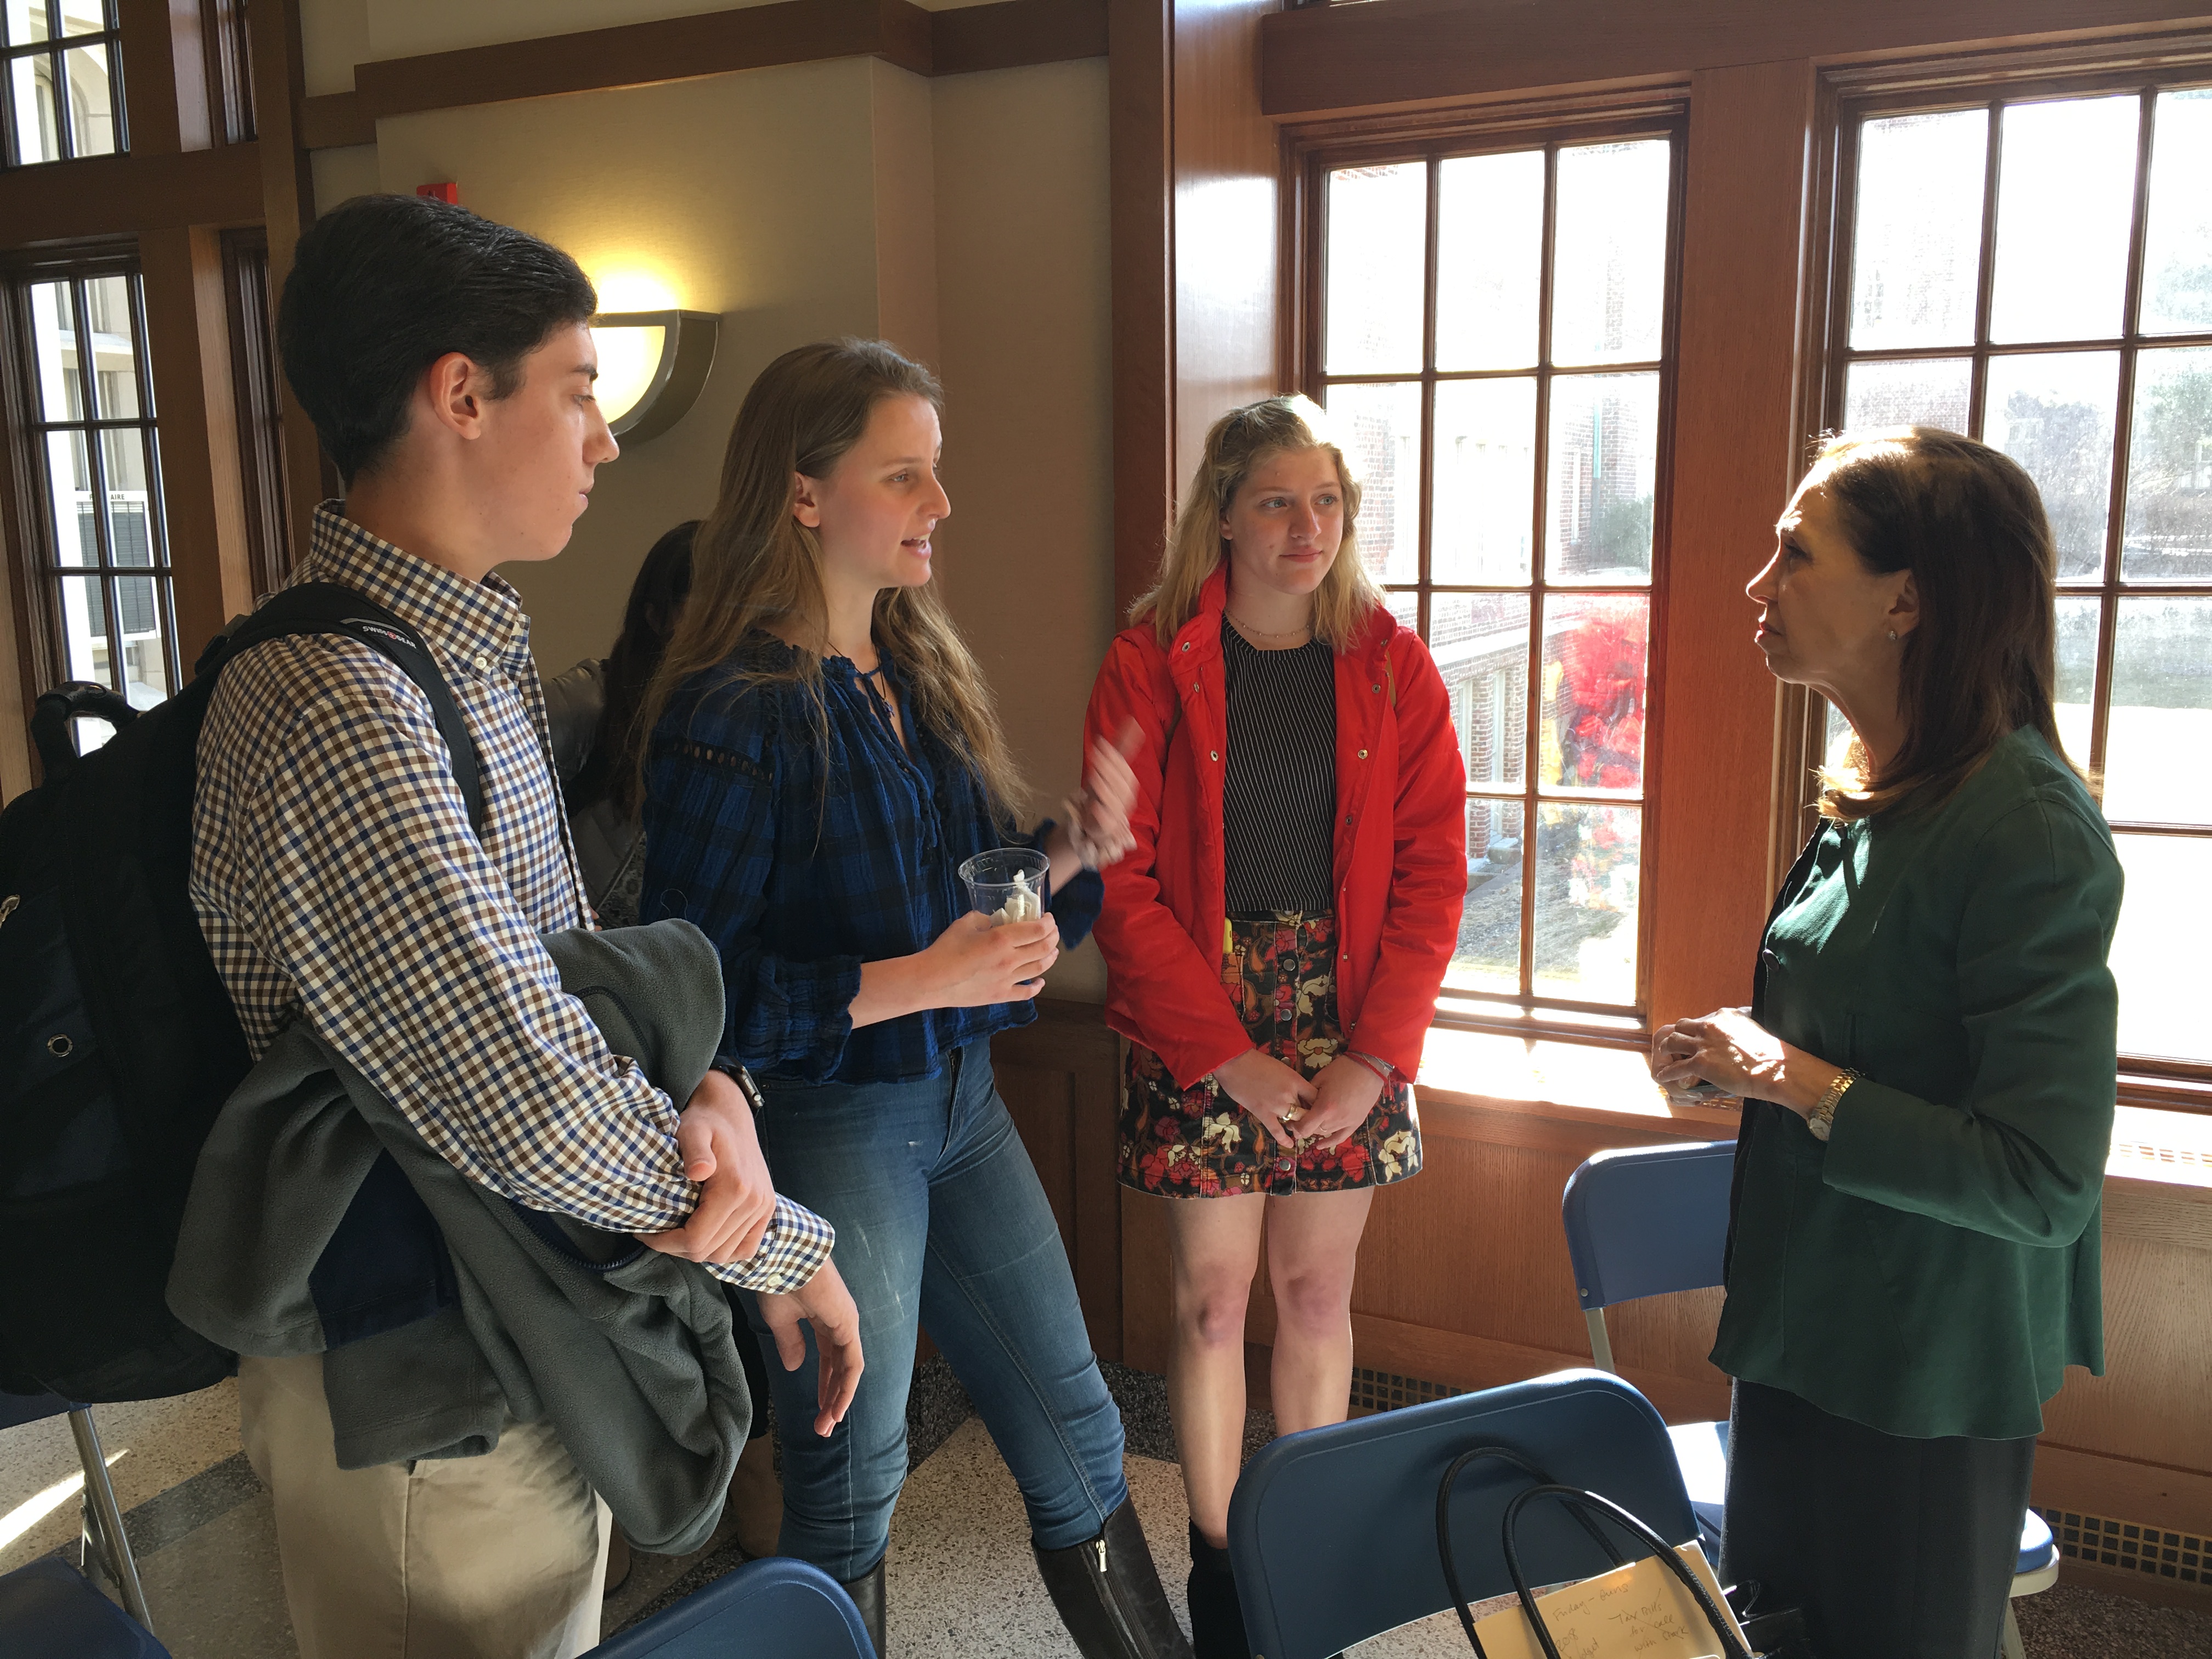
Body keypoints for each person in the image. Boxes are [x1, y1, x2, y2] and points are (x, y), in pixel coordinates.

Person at [190, 194, 861, 1659]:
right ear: (459, 396)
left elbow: (578, 989)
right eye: (579, 395)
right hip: (421, 1341)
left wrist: (709, 1088)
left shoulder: (461, 655)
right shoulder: (339, 706)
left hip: (510, 1293)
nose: (606, 441)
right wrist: (786, 1246)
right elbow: (528, 1096)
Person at [635, 338, 1188, 1658]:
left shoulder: (915, 673)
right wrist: (926, 977)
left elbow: (974, 904)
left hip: (964, 1108)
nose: (941, 505)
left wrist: (1066, 854)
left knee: (1078, 1433)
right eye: (907, 476)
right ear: (805, 494)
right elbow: (690, 1003)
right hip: (829, 1131)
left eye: (934, 475)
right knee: (849, 1484)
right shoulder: (730, 714)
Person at [1651, 427, 2123, 1659]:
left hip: (1925, 1372)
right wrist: (1738, 1067)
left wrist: (1792, 1079)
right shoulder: (1885, 793)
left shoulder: (2026, 825)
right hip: (1809, 1331)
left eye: (1794, 555)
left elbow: (2044, 1178)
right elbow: (1862, 1038)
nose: (1759, 587)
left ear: (1907, 600)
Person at [1082, 395, 1466, 1656]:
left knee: (1312, 1291)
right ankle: (1220, 1570)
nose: (1307, 529)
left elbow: (1432, 872)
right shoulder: (1149, 662)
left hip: (1348, 1012)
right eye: (1276, 503)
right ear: (1224, 515)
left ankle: (1309, 1550)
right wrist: (1223, 1054)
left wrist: (1373, 1056)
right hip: (1205, 1009)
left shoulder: (1391, 663)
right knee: (1209, 1301)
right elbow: (1118, 880)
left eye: (1328, 503)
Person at [543, 521, 788, 1576]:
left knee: (735, 1288)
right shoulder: (583, 709)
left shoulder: (750, 719)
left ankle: (747, 1504)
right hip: (593, 1050)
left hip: (707, 1061)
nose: (748, 630)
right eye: (723, 604)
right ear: (662, 612)